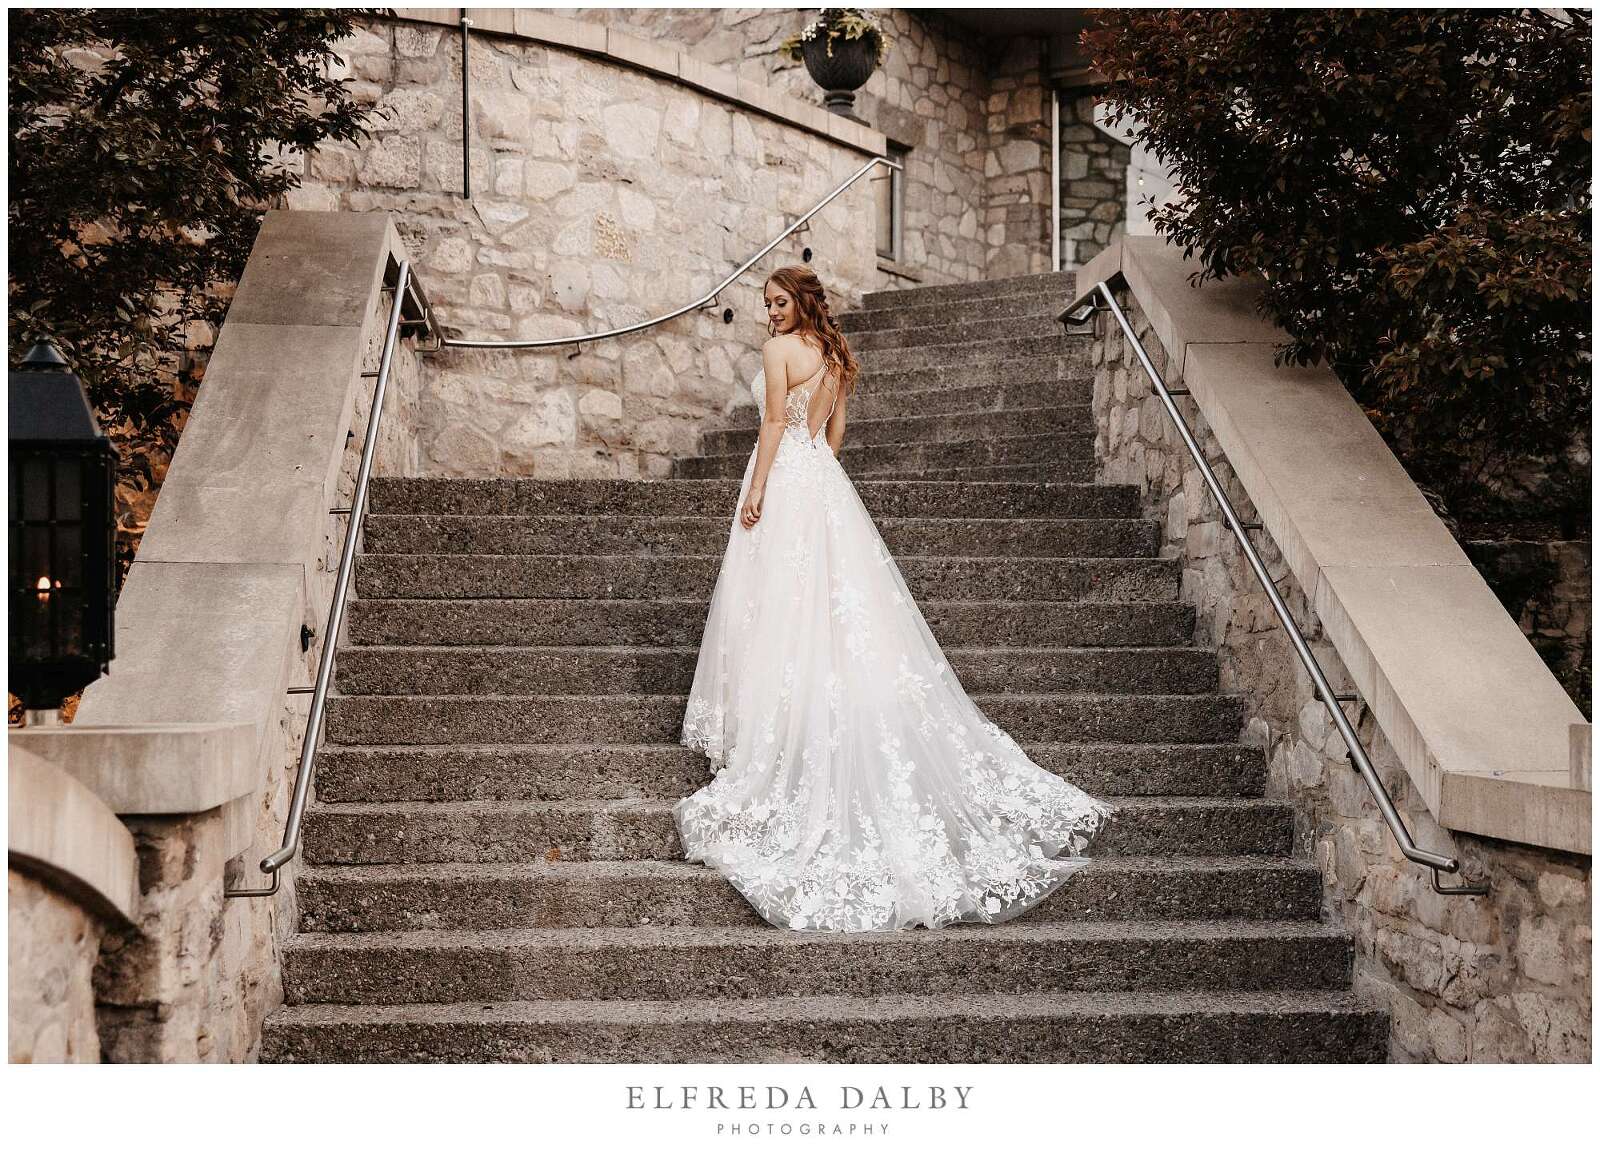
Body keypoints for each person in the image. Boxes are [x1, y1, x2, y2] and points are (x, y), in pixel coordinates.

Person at [675, 264, 1113, 932]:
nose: (769, 313)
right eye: (766, 305)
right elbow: (836, 432)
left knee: (779, 599)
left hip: (788, 476)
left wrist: (759, 489)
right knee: (827, 599)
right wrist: (815, 462)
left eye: (778, 302)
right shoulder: (834, 354)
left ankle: (773, 726)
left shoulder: (777, 352)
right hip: (822, 476)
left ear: (801, 303)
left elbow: (769, 426)